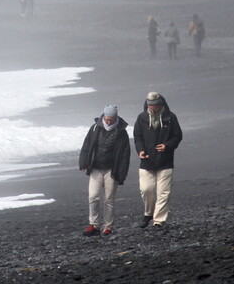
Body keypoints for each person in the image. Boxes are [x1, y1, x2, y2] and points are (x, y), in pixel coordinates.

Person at [78, 104, 131, 236]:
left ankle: (108, 226)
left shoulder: (121, 132)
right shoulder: (95, 128)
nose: (108, 122)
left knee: (109, 199)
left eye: (110, 120)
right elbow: (87, 145)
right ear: (103, 116)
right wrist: (83, 162)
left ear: (115, 118)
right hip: (96, 167)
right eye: (106, 119)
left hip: (112, 170)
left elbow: (125, 154)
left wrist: (121, 174)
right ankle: (94, 225)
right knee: (93, 196)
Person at [134, 92, 183, 230]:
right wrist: (140, 150)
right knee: (146, 189)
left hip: (165, 161)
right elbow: (137, 137)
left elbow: (177, 136)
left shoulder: (170, 117)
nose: (153, 109)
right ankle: (148, 213)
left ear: (161, 105)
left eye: (155, 106)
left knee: (163, 192)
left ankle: (158, 221)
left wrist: (167, 146)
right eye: (150, 106)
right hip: (146, 162)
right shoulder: (141, 118)